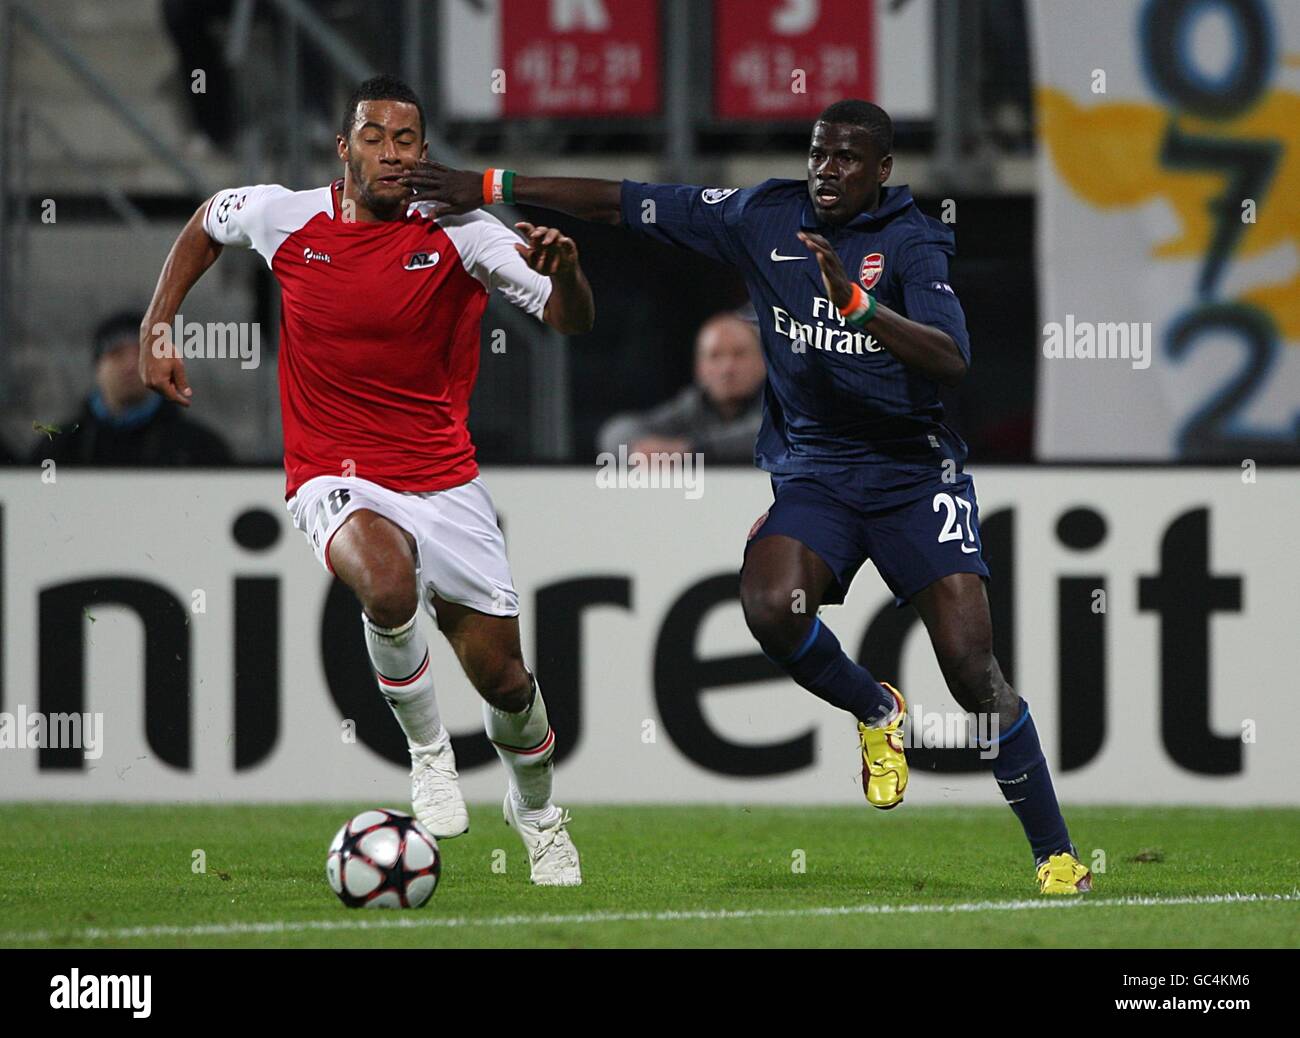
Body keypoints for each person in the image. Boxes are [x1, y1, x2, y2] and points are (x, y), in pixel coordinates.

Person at [398, 99, 1091, 895]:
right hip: (817, 474)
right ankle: (876, 710)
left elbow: (953, 359)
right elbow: (626, 200)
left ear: (884, 170)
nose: (826, 171)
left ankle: (1056, 855)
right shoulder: (762, 216)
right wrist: (490, 181)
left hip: (913, 476)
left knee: (973, 672)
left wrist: (861, 307)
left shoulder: (912, 241)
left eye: (847, 159)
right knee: (769, 607)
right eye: (819, 153)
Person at [139, 75, 594, 885]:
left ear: (424, 153)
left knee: (508, 684)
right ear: (343, 147)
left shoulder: (460, 230)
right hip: (331, 474)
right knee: (386, 586)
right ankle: (429, 756)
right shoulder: (286, 215)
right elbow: (210, 220)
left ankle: (539, 814)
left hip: (444, 480)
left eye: (408, 140)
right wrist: (158, 322)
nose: (392, 153)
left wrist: (570, 273)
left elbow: (567, 318)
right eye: (376, 137)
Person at [30, 311, 232, 467]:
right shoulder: (60, 448)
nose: (130, 365)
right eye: (116, 354)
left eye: (142, 355)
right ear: (97, 367)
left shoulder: (199, 449)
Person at [597, 310, 765, 462]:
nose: (727, 367)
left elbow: (768, 436)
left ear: (764, 362)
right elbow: (614, 433)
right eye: (715, 356)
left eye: (739, 354)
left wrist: (688, 450)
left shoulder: (782, 404)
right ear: (699, 367)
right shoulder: (691, 408)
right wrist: (640, 449)